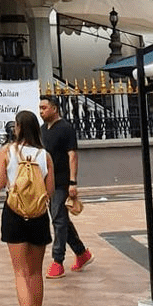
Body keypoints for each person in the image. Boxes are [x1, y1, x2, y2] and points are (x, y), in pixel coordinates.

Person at [0, 109, 55, 306]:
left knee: (20, 272)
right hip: (38, 216)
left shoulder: (7, 151)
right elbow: (50, 191)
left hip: (14, 213)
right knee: (36, 272)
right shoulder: (44, 155)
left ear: (18, 128)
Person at [38, 93, 92, 278]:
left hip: (62, 181)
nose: (41, 111)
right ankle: (82, 253)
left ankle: (57, 260)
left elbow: (72, 155)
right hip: (47, 181)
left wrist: (73, 182)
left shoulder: (66, 128)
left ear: (54, 108)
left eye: (44, 108)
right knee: (61, 218)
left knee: (58, 221)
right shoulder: (42, 129)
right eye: (40, 108)